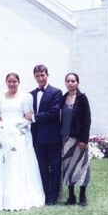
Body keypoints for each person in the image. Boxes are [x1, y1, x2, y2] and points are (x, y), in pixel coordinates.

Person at [0, 73, 45, 211]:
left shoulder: (26, 97)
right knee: (4, 164)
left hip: (19, 135)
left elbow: (28, 116)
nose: (12, 84)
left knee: (18, 164)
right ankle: (2, 197)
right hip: (3, 134)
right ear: (6, 82)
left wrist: (16, 127)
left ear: (18, 82)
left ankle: (19, 196)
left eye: (14, 81)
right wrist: (2, 127)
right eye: (9, 81)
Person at [30, 64, 62, 205]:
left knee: (55, 167)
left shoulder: (56, 92)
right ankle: (43, 194)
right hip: (37, 138)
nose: (40, 78)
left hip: (52, 137)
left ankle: (53, 197)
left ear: (47, 75)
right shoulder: (30, 94)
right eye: (37, 75)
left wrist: (34, 117)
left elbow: (54, 113)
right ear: (34, 77)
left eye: (42, 75)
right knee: (41, 167)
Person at [60, 72, 91, 206]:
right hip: (65, 138)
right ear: (65, 83)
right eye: (68, 81)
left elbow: (87, 120)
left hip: (79, 139)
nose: (70, 83)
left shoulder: (82, 98)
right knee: (68, 167)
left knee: (82, 167)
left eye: (73, 81)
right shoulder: (62, 98)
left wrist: (84, 140)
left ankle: (82, 196)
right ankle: (71, 196)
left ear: (77, 82)